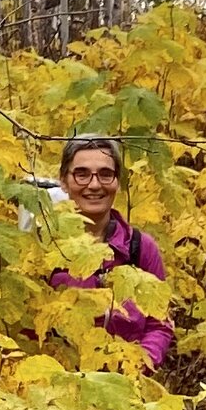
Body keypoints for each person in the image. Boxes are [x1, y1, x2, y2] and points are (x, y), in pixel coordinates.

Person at [51, 133, 172, 370]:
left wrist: (136, 366)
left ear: (117, 181)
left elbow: (159, 322)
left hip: (123, 389)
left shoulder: (140, 247)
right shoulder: (44, 247)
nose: (94, 185)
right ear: (64, 181)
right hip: (57, 391)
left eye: (106, 174)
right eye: (82, 173)